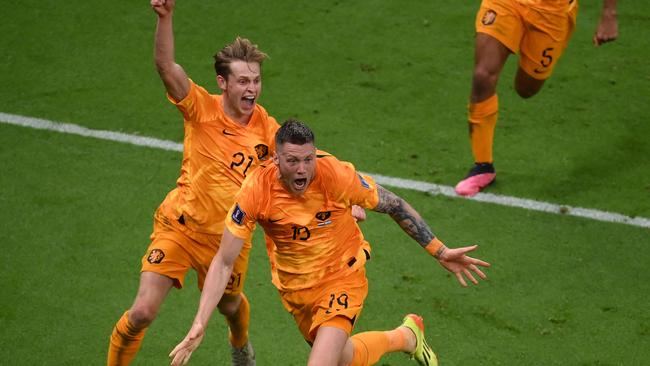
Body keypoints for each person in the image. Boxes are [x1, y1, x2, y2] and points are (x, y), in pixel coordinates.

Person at [169, 120, 491, 366]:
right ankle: (407, 336)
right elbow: (225, 261)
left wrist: (440, 250)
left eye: (308, 159)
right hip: (296, 289)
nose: (302, 169)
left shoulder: (334, 174)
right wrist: (200, 322)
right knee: (344, 358)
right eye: (293, 161)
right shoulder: (256, 190)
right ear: (275, 158)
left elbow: (393, 204)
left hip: (342, 276)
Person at [106, 0, 280, 365]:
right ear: (223, 83)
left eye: (256, 80)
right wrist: (165, 17)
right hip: (181, 226)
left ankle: (240, 345)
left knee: (230, 307)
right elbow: (165, 66)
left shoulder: (267, 129)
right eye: (243, 81)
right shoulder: (201, 107)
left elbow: (303, 165)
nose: (252, 89)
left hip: (231, 241)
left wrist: (347, 199)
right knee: (141, 313)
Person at [455, 0, 618, 196]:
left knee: (526, 89)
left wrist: (609, 14)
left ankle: (525, 39)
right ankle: (483, 166)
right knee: (482, 76)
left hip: (552, 12)